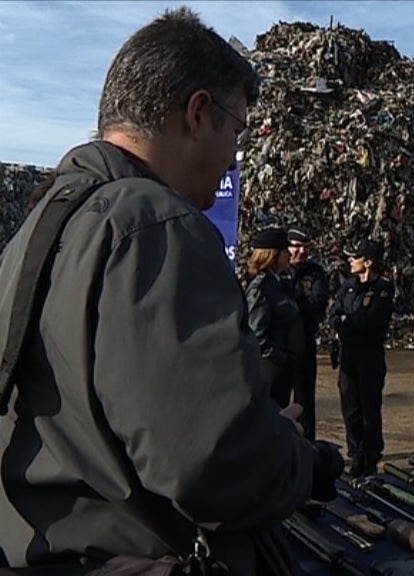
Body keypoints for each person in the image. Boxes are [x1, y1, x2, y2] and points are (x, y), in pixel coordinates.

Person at [0, 9, 342, 573]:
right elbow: (213, 466)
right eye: (235, 130)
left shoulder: (47, 218)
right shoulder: (156, 223)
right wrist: (294, 458)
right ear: (198, 113)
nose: (234, 158)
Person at [327, 238, 394, 477]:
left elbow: (370, 321)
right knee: (350, 407)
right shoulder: (349, 286)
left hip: (370, 355)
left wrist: (347, 323)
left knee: (370, 408)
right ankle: (355, 453)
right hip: (348, 355)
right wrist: (345, 323)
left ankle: (370, 456)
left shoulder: (383, 289)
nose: (350, 261)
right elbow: (334, 314)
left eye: (354, 258)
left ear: (368, 263)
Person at [245, 227, 305, 408]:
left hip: (282, 367)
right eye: (285, 251)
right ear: (274, 255)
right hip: (270, 369)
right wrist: (278, 357)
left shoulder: (278, 283)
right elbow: (257, 333)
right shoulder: (262, 287)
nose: (289, 254)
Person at [280, 227, 331, 440]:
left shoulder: (315, 272)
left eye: (305, 247)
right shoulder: (279, 272)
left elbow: (318, 302)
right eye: (296, 246)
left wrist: (292, 305)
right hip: (280, 345)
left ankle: (307, 445)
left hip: (304, 342)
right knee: (278, 399)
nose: (301, 251)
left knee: (304, 399)